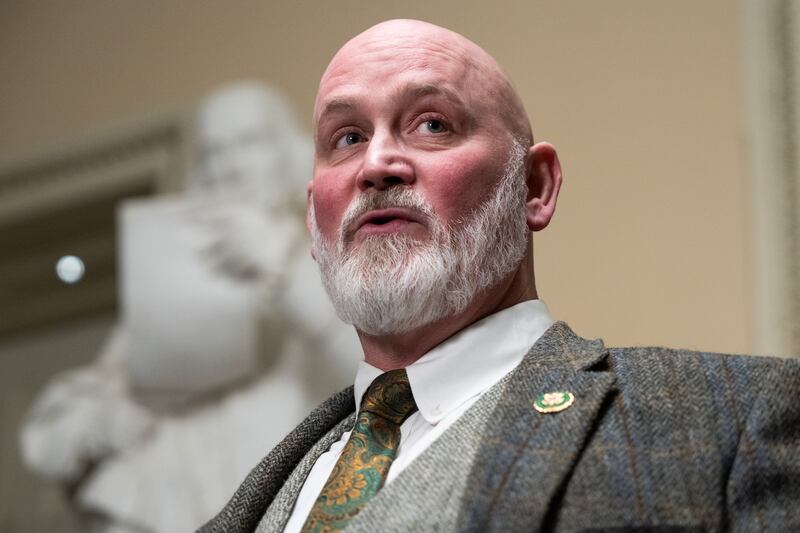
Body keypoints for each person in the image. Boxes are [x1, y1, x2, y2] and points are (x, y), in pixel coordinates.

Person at [200, 20, 800, 533]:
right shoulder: (255, 499)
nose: (377, 163)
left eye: (432, 124)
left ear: (534, 187)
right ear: (313, 217)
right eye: (348, 137)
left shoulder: (735, 421)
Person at [20, 82, 358, 533]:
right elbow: (78, 421)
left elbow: (382, 374)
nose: (230, 166)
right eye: (214, 152)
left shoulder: (338, 259)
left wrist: (282, 262)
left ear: (286, 152)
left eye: (248, 143)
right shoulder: (171, 278)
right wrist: (114, 417)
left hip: (288, 498)